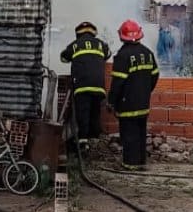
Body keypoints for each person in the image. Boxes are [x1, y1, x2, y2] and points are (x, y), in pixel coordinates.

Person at [107, 19, 159, 170]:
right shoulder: (148, 53)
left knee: (129, 133)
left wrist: (111, 101)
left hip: (127, 103)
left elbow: (117, 83)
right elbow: (155, 75)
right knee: (141, 132)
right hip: (143, 102)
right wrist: (145, 90)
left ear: (122, 36)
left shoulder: (122, 56)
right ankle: (141, 161)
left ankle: (129, 164)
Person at [60, 22, 112, 150]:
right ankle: (95, 140)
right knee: (95, 112)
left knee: (82, 114)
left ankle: (83, 143)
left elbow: (63, 58)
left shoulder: (75, 45)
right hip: (99, 87)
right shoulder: (101, 44)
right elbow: (108, 54)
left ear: (78, 33)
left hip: (82, 86)